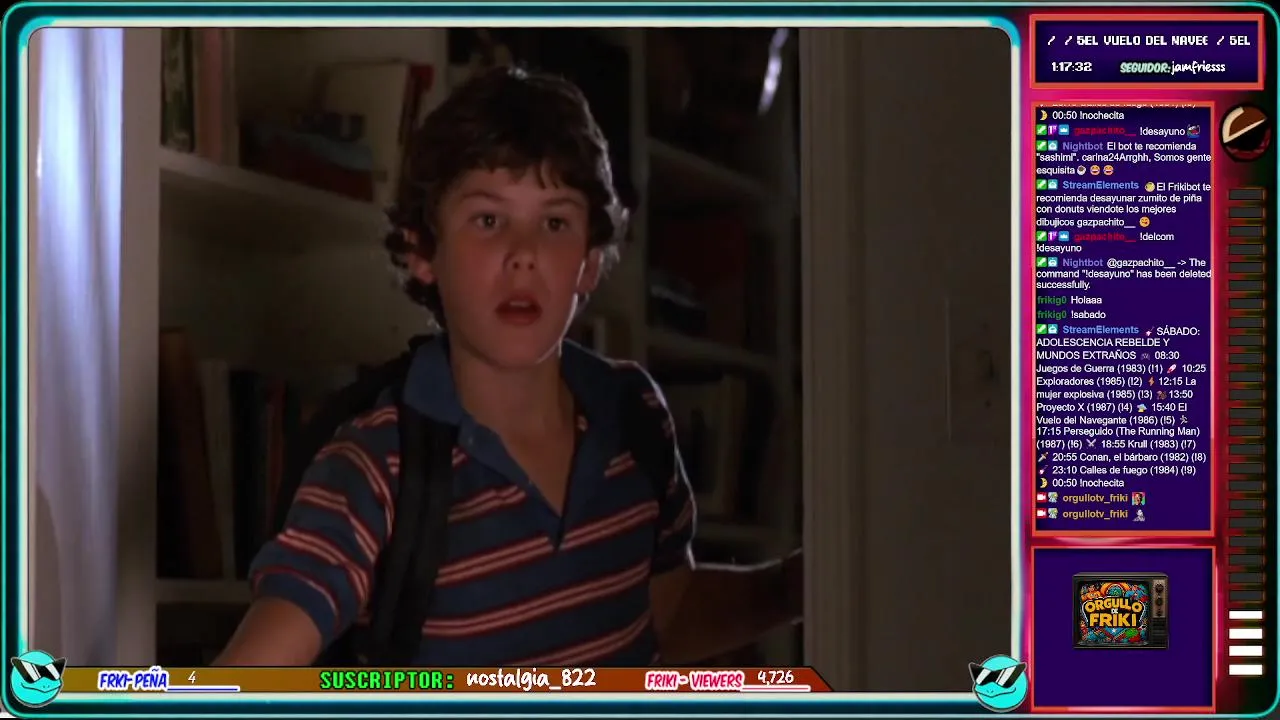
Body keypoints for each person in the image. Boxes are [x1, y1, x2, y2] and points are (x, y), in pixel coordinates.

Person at [215, 65, 802, 667]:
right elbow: (244, 680)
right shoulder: (378, 466)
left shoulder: (635, 413)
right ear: (423, 251)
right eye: (489, 220)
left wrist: (792, 587)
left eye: (555, 223)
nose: (524, 255)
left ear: (589, 263)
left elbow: (664, 614)